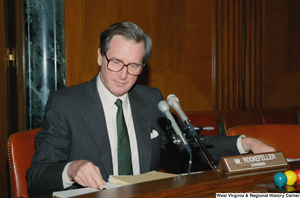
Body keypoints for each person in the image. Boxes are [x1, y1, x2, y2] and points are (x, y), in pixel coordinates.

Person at [26, 22, 275, 196]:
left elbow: (188, 145)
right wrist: (70, 169)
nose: (124, 75)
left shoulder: (150, 98)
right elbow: (36, 177)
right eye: (116, 62)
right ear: (100, 57)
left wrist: (245, 144)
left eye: (134, 66)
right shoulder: (66, 103)